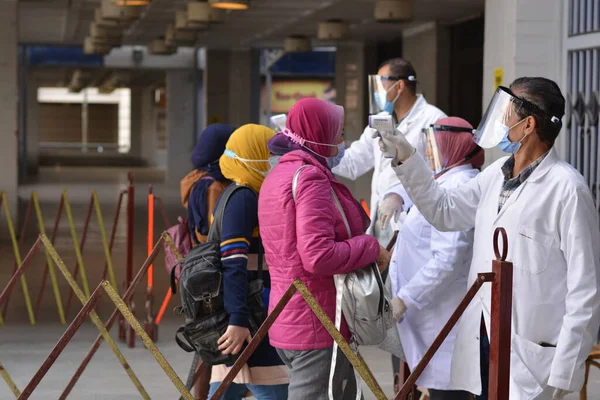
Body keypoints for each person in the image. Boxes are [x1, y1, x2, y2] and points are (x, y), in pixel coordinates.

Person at [376, 77, 600, 400]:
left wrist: (564, 373)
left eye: (506, 113)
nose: (499, 121)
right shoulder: (496, 174)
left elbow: (585, 291)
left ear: (528, 125)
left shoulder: (567, 190)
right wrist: (407, 157)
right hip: (484, 338)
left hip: (533, 357)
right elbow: (444, 210)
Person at [258, 98, 391, 400]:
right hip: (316, 321)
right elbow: (318, 255)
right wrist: (369, 246)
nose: (342, 142)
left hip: (290, 314)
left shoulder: (278, 174)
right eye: (339, 134)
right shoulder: (310, 177)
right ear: (319, 134)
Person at [389, 117, 484, 400]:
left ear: (454, 147)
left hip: (440, 311)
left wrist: (406, 298)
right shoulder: (444, 180)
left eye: (435, 145)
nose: (429, 153)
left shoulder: (459, 187)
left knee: (446, 388)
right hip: (424, 312)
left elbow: (448, 259)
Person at [206, 124, 289, 400]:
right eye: (268, 154)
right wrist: (238, 319)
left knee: (231, 387)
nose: (274, 161)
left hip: (248, 309)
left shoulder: (246, 193)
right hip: (250, 313)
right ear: (251, 156)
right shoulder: (242, 198)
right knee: (274, 389)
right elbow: (233, 262)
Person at [333, 57, 447, 246]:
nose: (377, 90)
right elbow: (353, 163)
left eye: (381, 82)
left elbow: (439, 174)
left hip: (413, 218)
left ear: (399, 86)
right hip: (381, 219)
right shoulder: (380, 120)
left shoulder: (433, 119)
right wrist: (321, 151)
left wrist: (400, 195)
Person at [180, 123, 236, 399]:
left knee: (208, 340)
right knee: (210, 342)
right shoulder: (212, 185)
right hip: (212, 273)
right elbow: (212, 232)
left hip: (200, 270)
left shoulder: (196, 178)